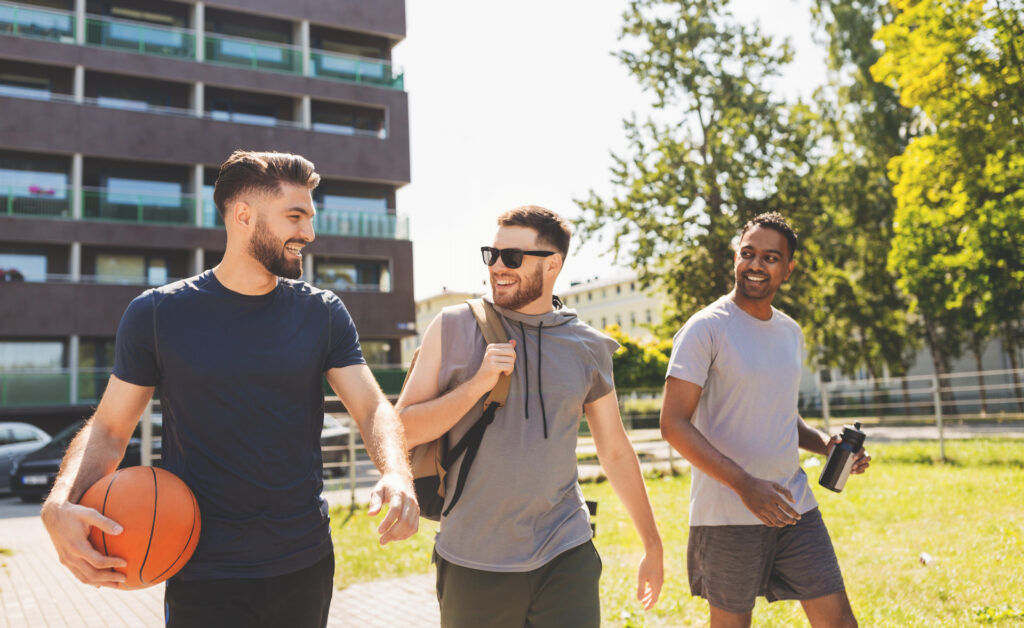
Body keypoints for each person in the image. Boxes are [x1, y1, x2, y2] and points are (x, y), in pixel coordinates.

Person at [40, 150, 419, 627]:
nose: (309, 233)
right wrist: (61, 501)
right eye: (294, 216)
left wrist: (397, 473)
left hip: (301, 562)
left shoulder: (322, 313)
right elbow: (112, 429)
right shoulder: (157, 314)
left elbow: (370, 408)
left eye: (310, 217)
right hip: (200, 569)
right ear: (243, 216)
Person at [397, 205, 663, 628]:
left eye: (513, 257)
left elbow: (614, 450)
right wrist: (478, 384)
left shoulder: (588, 347)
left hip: (566, 553)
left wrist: (652, 545)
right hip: (472, 557)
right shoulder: (451, 326)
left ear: (553, 264)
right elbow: (401, 430)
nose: (498, 267)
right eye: (492, 254)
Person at [660, 211, 870, 627]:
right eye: (748, 254)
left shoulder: (789, 332)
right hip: (727, 512)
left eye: (770, 258)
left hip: (794, 506)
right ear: (736, 259)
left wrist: (823, 444)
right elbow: (673, 424)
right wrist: (745, 485)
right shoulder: (705, 329)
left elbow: (779, 413)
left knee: (840, 621)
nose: (756, 265)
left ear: (788, 268)